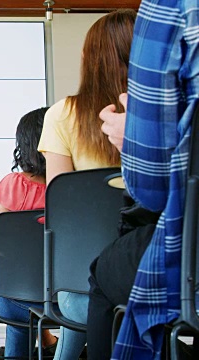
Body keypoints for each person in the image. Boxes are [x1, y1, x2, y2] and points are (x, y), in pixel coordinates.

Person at [87, 0, 199, 357]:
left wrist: (133, 139)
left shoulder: (170, 11)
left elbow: (153, 189)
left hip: (187, 245)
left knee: (102, 275)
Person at [36, 9, 136, 359]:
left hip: (80, 289)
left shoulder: (61, 115)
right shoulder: (171, 112)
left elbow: (60, 204)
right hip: (174, 280)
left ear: (87, 59)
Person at [0, 107, 59, 357]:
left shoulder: (12, 185)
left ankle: (46, 339)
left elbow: (3, 249)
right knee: (28, 303)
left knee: (15, 303)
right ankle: (49, 339)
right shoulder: (72, 187)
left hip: (11, 297)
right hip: (64, 299)